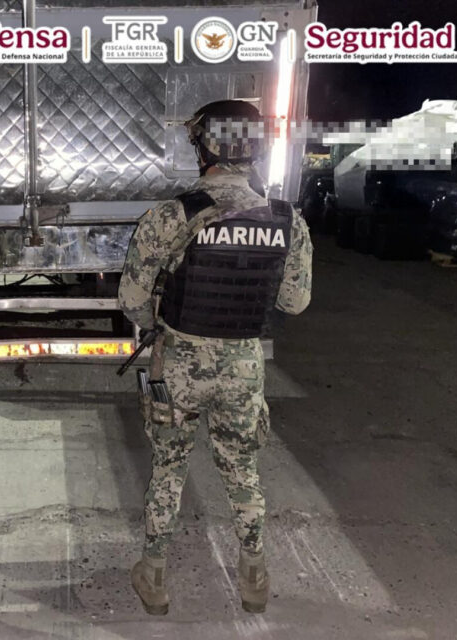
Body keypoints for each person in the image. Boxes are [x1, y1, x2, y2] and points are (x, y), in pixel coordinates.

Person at [119, 99, 312, 615]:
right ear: (257, 149)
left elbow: (131, 300)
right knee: (242, 469)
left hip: (176, 365)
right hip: (243, 368)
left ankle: (154, 577)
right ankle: (254, 579)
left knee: (168, 468)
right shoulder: (286, 219)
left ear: (202, 147)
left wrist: (161, 315)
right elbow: (295, 302)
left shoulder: (170, 216)